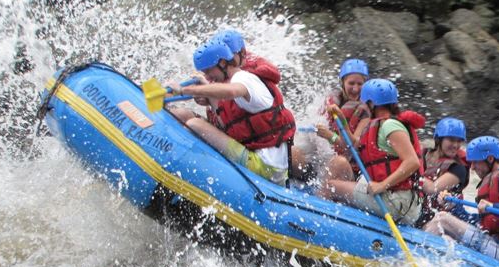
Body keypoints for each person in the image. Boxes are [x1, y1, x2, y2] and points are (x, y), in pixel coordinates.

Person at [168, 40, 301, 186]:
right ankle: (161, 147)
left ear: (223, 63)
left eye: (208, 71)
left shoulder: (242, 78)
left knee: (194, 124)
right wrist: (209, 98)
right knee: (182, 115)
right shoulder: (229, 80)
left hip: (266, 167)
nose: (208, 77)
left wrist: (185, 90)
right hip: (250, 152)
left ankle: (177, 165)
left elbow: (232, 91)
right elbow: (226, 126)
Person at [424, 136, 499, 267]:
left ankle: (418, 261)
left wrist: (494, 207)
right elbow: (481, 224)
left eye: (475, 162)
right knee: (445, 237)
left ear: (490, 159)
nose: (472, 168)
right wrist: (454, 207)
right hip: (492, 243)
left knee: (441, 219)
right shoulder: (488, 183)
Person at [318, 78, 424, 224]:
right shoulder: (379, 125)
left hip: (397, 203)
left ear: (371, 103)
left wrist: (382, 185)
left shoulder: (390, 125)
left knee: (330, 186)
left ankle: (319, 224)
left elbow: (412, 162)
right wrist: (342, 119)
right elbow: (353, 146)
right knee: (346, 186)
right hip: (397, 199)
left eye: (364, 103)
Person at [414, 117, 470, 226]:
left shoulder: (458, 169)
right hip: (419, 211)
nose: (455, 145)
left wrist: (409, 173)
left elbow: (432, 189)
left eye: (459, 141)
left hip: (443, 221)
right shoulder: (424, 154)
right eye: (451, 139)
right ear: (439, 139)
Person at [316, 58, 373, 156]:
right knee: (296, 153)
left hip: (347, 161)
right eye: (351, 83)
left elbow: (353, 148)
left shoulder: (366, 111)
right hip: (324, 154)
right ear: (343, 82)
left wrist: (330, 136)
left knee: (339, 163)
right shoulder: (330, 100)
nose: (355, 89)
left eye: (360, 84)